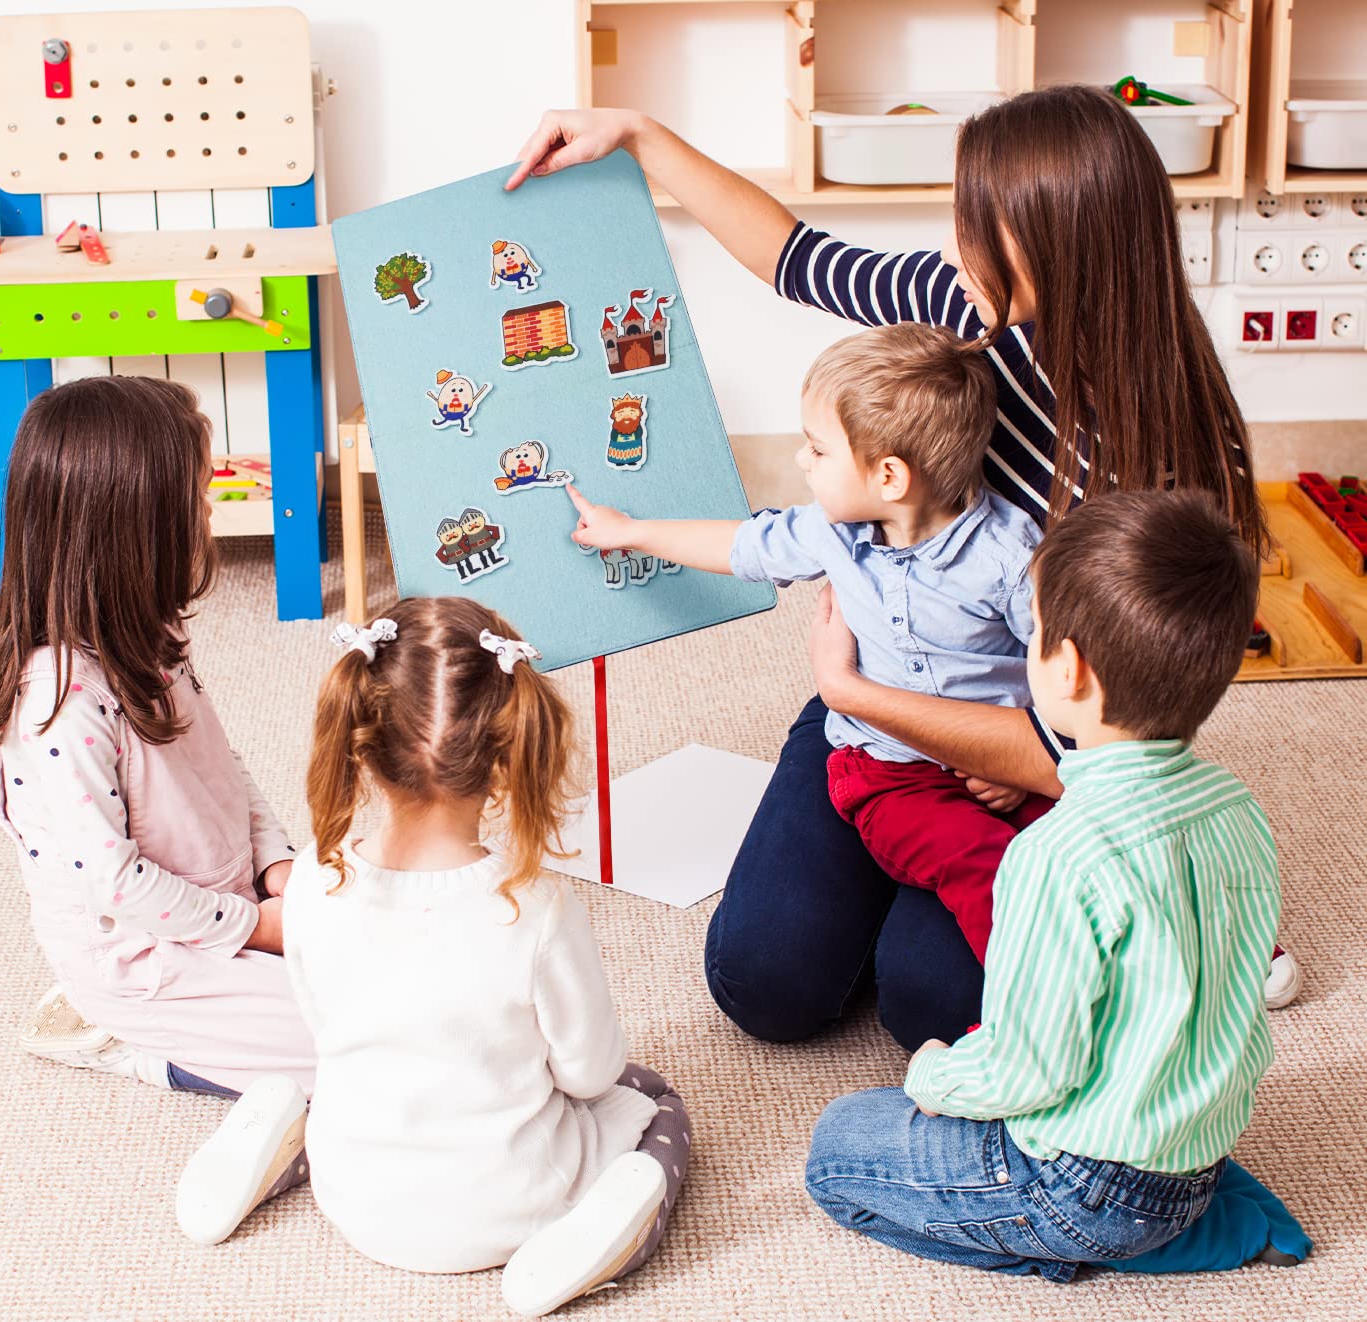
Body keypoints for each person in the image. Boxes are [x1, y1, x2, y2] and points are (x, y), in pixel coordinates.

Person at [509, 87, 1300, 1047]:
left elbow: (1135, 712)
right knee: (761, 981)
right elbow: (794, 258)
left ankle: (1153, 898)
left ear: (1055, 243)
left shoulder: (1164, 451)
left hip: (1037, 740)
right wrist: (638, 131)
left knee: (935, 1002)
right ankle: (894, 879)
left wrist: (1023, 755)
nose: (954, 244)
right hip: (880, 717)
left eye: (976, 225)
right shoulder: (963, 306)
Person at [805, 490, 1301, 1278]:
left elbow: (1028, 1071)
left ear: (1065, 667)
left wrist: (934, 1074)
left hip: (1083, 1183)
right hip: (1197, 1144)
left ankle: (1120, 1248)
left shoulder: (1056, 852)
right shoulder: (1237, 809)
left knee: (836, 1155)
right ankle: (1193, 1209)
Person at [176, 598, 690, 1318]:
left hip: (352, 1194)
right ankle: (594, 1235)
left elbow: (325, 1029)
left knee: (350, 1076)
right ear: (508, 753)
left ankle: (280, 1134)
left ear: (362, 747)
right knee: (655, 1099)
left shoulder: (316, 886)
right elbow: (589, 1073)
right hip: (517, 1207)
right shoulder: (534, 908)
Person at [569, 321, 1052, 965]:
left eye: (817, 450)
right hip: (890, 774)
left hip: (990, 759)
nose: (801, 460)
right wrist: (632, 531)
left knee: (1080, 852)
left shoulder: (1009, 553)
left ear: (888, 476)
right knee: (987, 870)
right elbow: (739, 546)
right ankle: (1041, 1006)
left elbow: (1058, 669)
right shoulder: (829, 532)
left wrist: (1021, 767)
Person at [0, 376, 316, 1098]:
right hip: (143, 952)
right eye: (198, 498)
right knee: (355, 1049)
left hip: (223, 900)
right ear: (134, 527)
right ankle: (119, 1041)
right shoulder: (59, 702)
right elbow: (115, 884)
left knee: (404, 970)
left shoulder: (148, 630)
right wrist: (260, 929)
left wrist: (278, 867)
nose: (208, 511)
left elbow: (220, 767)